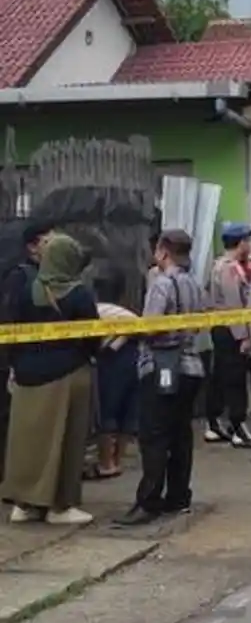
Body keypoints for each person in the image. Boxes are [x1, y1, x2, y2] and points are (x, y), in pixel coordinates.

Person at [0, 233, 98, 525]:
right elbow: (91, 337)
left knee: (25, 440)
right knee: (66, 440)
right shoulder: (79, 294)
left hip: (28, 377)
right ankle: (60, 505)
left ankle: (25, 504)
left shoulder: (25, 288)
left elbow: (11, 332)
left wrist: (16, 366)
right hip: (68, 376)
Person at [117, 230, 206, 526]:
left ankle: (148, 500)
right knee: (181, 433)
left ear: (163, 251)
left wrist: (131, 327)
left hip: (162, 368)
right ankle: (179, 496)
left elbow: (153, 327)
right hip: (192, 366)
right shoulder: (194, 284)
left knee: (154, 435)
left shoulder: (162, 284)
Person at [0, 220, 49, 483]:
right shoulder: (21, 276)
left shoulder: (40, 276)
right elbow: (10, 318)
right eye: (47, 242)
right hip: (15, 360)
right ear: (32, 246)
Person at [206, 222, 251, 448]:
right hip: (230, 330)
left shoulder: (220, 265)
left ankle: (216, 421)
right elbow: (234, 303)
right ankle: (238, 425)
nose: (250, 245)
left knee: (221, 376)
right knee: (235, 378)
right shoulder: (229, 268)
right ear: (241, 242)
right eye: (248, 240)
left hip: (222, 327)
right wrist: (244, 336)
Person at [93, 266, 139, 479]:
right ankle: (117, 460)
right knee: (126, 412)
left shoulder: (95, 310)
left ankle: (105, 462)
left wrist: (110, 347)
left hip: (110, 364)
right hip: (132, 361)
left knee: (107, 412)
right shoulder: (126, 313)